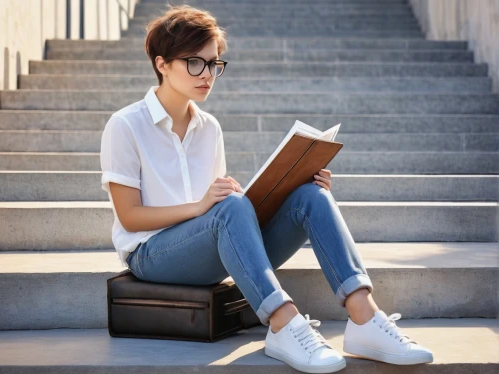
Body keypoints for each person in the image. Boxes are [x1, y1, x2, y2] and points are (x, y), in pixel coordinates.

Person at [100, 3, 434, 373]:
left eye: (214, 64)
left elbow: (220, 211)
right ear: (162, 64)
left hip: (204, 249)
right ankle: (283, 323)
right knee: (230, 207)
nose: (207, 74)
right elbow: (130, 218)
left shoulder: (209, 128)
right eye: (195, 62)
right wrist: (200, 207)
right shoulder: (126, 125)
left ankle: (365, 319)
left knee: (310, 196)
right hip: (151, 255)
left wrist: (290, 183)